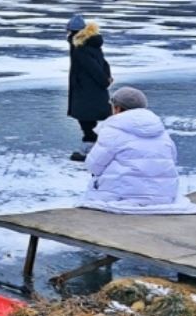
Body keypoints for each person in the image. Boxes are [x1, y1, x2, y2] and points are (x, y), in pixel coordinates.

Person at [79, 87, 196, 214]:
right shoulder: (161, 131)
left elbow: (93, 166)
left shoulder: (112, 131)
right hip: (163, 197)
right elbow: (172, 160)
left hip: (120, 197)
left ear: (117, 108)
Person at [67, 14, 113, 162]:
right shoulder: (91, 42)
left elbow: (93, 67)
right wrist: (107, 77)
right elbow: (103, 63)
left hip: (86, 90)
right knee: (88, 119)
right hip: (91, 88)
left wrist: (104, 80)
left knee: (86, 118)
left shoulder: (80, 47)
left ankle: (92, 149)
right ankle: (94, 147)